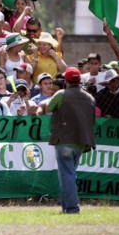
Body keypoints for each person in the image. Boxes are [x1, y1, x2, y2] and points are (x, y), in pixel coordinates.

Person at [45, 67, 96, 214]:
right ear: (79, 80)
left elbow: (49, 108)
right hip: (81, 141)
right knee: (70, 173)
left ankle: (72, 208)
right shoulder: (90, 98)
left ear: (66, 81)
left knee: (67, 175)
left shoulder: (61, 94)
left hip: (64, 140)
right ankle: (66, 206)